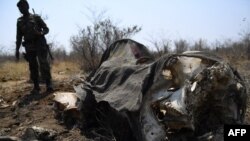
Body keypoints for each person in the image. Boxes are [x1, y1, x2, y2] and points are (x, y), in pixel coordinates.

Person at [15, 0, 53, 94]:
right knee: (32, 66)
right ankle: (36, 87)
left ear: (27, 6)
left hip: (39, 43)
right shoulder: (19, 21)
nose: (21, 9)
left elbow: (46, 29)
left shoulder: (36, 17)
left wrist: (40, 33)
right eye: (20, 8)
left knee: (43, 64)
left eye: (23, 6)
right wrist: (17, 50)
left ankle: (49, 85)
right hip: (29, 45)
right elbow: (19, 36)